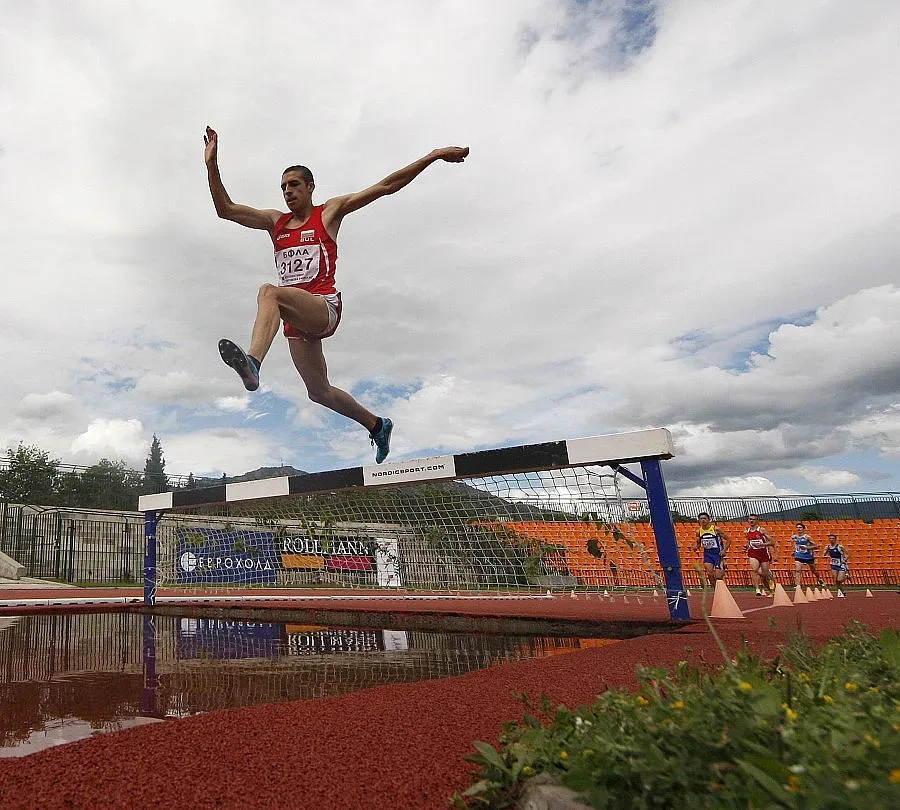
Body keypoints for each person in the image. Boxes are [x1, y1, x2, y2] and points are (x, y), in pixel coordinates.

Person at [203, 126, 469, 463]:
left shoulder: (328, 213)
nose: (288, 192)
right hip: (296, 319)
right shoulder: (275, 222)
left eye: (294, 185)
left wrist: (433, 156)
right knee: (319, 392)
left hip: (323, 307)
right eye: (283, 187)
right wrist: (211, 165)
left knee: (269, 292)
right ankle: (377, 425)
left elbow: (386, 187)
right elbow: (225, 209)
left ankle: (253, 362)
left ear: (310, 187)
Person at [744, 514, 776, 596]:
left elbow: (772, 542)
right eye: (750, 519)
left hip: (764, 553)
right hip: (753, 553)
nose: (751, 521)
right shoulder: (746, 531)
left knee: (764, 574)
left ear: (757, 521)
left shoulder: (762, 530)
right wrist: (746, 546)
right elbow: (749, 542)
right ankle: (757, 588)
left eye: (754, 519)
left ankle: (771, 589)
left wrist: (763, 545)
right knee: (755, 570)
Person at [695, 512, 729, 588]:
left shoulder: (716, 529)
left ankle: (721, 587)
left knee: (718, 576)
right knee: (709, 573)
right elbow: (698, 543)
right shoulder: (698, 532)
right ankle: (715, 590)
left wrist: (724, 550)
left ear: (709, 520)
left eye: (704, 518)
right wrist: (696, 547)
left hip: (717, 554)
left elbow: (728, 539)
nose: (703, 520)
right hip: (708, 554)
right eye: (701, 519)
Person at [791, 522, 825, 588]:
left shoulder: (807, 537)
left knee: (813, 570)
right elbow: (796, 545)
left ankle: (819, 579)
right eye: (797, 527)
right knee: (798, 570)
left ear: (803, 529)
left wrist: (807, 547)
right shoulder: (794, 537)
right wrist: (794, 551)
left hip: (808, 556)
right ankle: (797, 585)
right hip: (799, 555)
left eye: (800, 527)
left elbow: (816, 546)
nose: (799, 529)